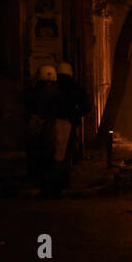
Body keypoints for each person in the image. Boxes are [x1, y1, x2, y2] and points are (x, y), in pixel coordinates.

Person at [25, 65, 67, 199]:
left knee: (43, 158)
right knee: (56, 159)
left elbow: (30, 105)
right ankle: (55, 188)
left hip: (41, 127)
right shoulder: (58, 91)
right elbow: (62, 107)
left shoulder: (36, 91)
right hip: (55, 126)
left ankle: (45, 187)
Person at [56, 62, 90, 188]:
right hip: (69, 123)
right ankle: (64, 180)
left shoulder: (53, 87)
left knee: (53, 151)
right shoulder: (76, 88)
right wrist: (75, 114)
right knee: (67, 151)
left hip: (50, 124)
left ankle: (52, 180)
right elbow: (86, 107)